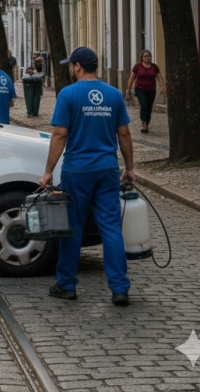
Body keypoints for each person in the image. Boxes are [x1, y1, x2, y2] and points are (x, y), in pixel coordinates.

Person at [39, 46, 135, 307]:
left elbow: (60, 135)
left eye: (72, 65)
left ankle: (67, 285)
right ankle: (119, 289)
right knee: (111, 228)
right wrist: (129, 167)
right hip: (106, 170)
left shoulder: (68, 94)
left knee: (73, 229)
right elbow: (124, 134)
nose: (71, 69)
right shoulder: (114, 95)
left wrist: (48, 171)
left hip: (77, 171)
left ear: (78, 67)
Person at [125, 50, 165, 133]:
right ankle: (144, 123)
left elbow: (159, 77)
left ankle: (146, 122)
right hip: (140, 89)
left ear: (151, 57)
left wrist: (161, 86)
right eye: (145, 56)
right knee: (144, 105)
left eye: (148, 56)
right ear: (142, 58)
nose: (147, 57)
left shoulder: (154, 67)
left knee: (149, 107)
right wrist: (128, 91)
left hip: (151, 90)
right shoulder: (137, 66)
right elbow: (131, 78)